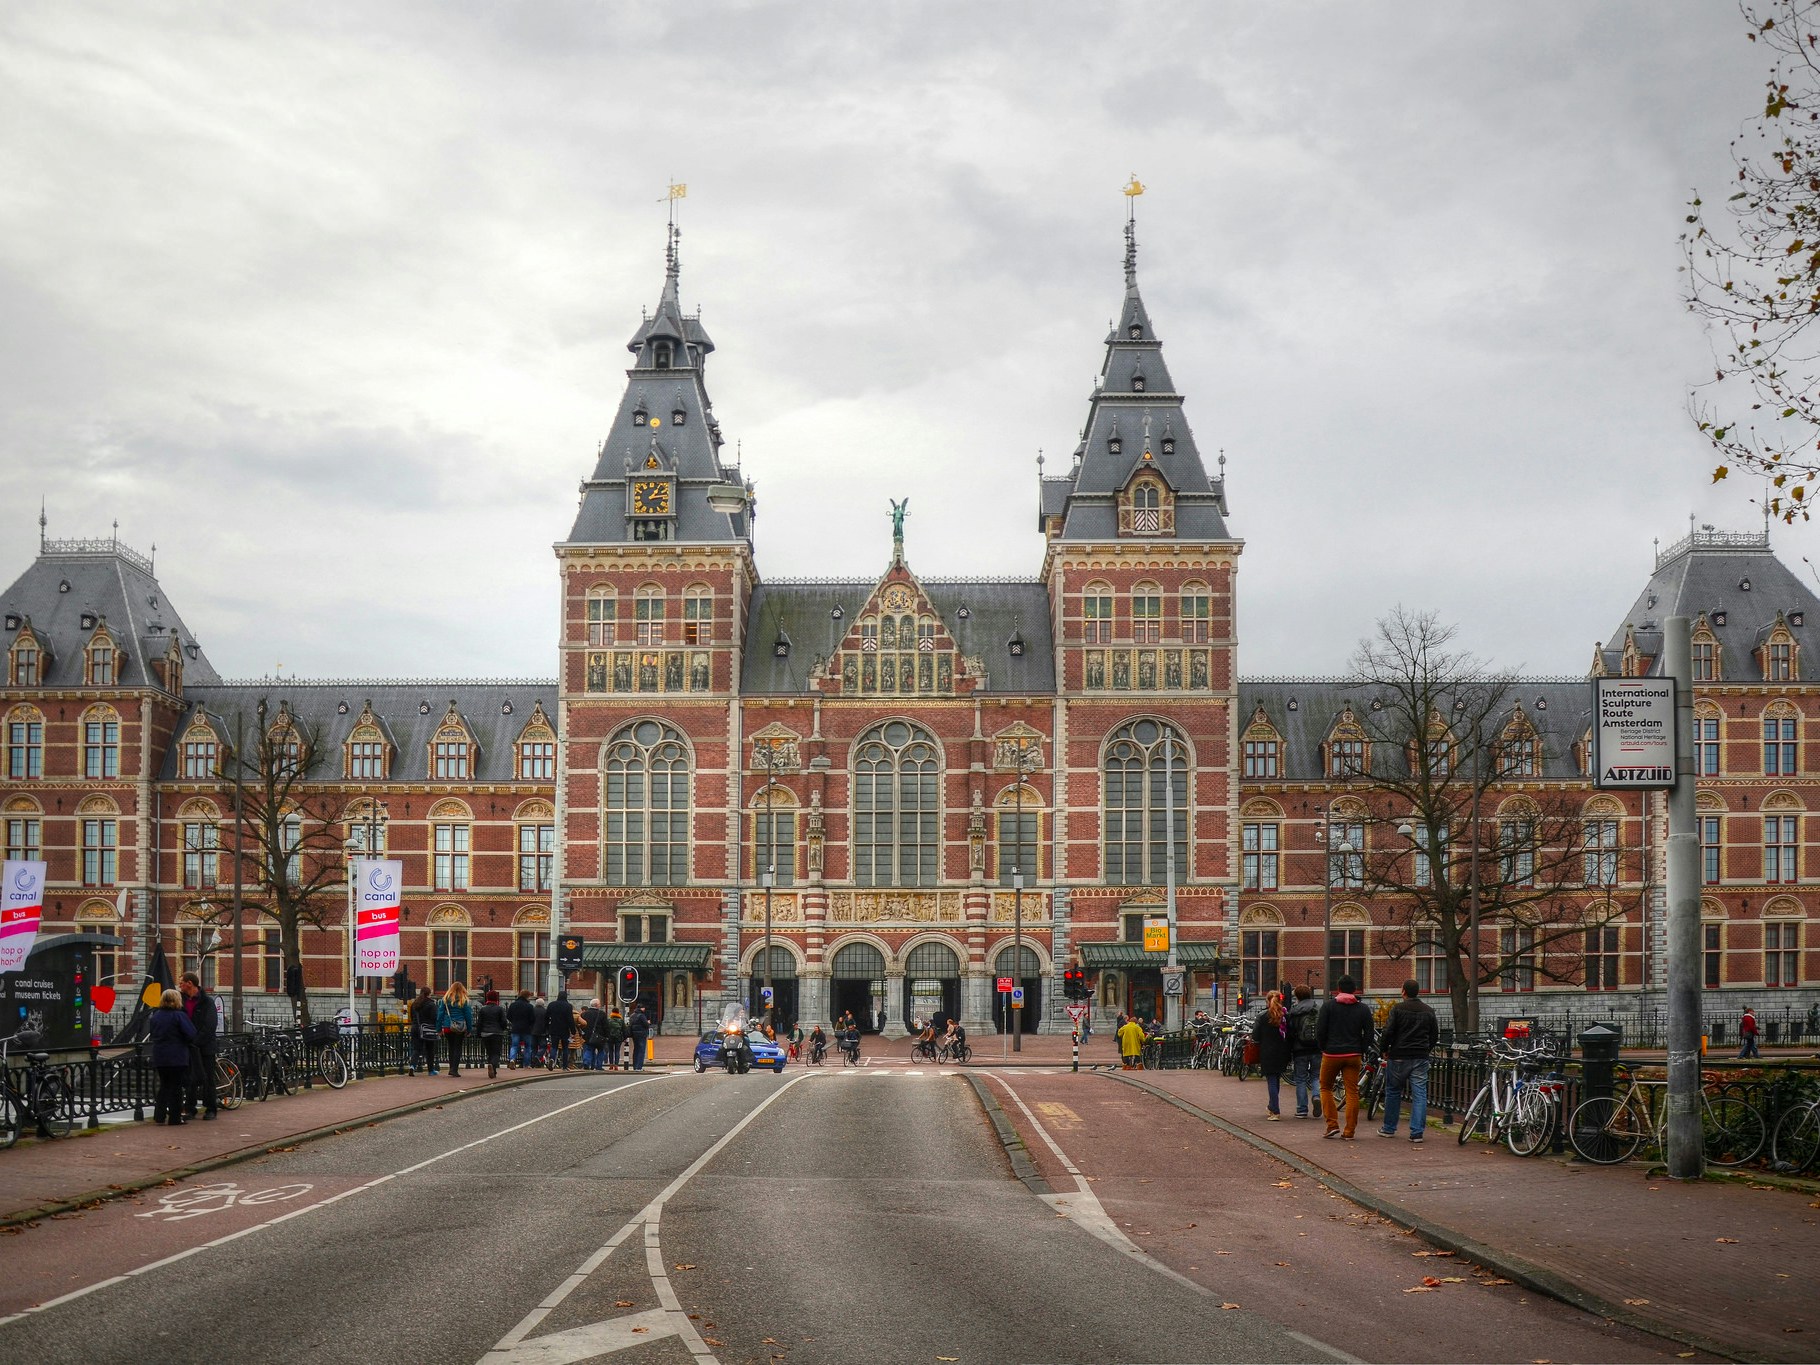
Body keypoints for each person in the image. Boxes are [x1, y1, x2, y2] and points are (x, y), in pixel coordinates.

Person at [1376, 979, 1439, 1143]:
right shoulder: (1429, 1011)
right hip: (1420, 1057)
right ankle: (1417, 1132)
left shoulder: (1397, 1009)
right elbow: (1434, 1035)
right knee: (1420, 1095)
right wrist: (1426, 1049)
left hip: (1398, 1056)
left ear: (1403, 991)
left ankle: (1389, 1128)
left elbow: (1388, 1031)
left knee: (1393, 1091)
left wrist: (1384, 1049)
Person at [1316, 975, 1375, 1139]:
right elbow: (1369, 1033)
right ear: (1354, 990)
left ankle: (1332, 1125)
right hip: (1353, 1055)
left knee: (1325, 1088)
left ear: (1338, 989)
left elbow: (1320, 1031)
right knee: (1352, 1092)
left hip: (1331, 1054)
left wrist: (1323, 1047)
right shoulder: (1362, 1009)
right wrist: (1361, 1049)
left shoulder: (1328, 1007)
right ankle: (1349, 1131)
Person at [149, 987, 197, 1126]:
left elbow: (153, 1033)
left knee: (164, 1086)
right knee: (176, 1087)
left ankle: (159, 1115)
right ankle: (175, 1117)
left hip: (160, 1055)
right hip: (177, 1056)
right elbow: (191, 1033)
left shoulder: (156, 1016)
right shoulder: (179, 1016)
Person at [179, 971, 219, 1121]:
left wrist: (196, 1041)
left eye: (182, 983)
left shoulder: (207, 1002)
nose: (179, 986)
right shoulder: (180, 1001)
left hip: (205, 1047)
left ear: (190, 983)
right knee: (190, 1079)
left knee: (208, 1078)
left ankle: (211, 1109)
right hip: (188, 1046)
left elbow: (210, 1025)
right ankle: (190, 1108)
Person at [1251, 990, 1292, 1120]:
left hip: (1268, 1052)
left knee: (1272, 1081)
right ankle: (1271, 1105)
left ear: (1268, 1001)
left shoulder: (1262, 1017)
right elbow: (1290, 1034)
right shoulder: (1285, 1016)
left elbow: (1255, 1036)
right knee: (1276, 1078)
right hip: (1283, 1052)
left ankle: (1275, 1110)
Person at [1287, 985, 1322, 1118]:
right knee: (1315, 1076)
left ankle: (1302, 1109)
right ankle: (1316, 1096)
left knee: (1300, 1079)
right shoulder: (1317, 1008)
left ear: (1297, 996)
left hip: (1299, 1049)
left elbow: (1290, 1031)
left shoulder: (1294, 1011)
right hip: (1316, 1048)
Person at [438, 981, 475, 1078]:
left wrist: (438, 1029)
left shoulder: (445, 1000)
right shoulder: (464, 1000)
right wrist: (469, 1029)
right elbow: (468, 1016)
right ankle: (454, 1069)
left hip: (447, 1027)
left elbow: (440, 1015)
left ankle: (451, 1068)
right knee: (457, 1048)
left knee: (451, 1047)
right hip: (460, 1027)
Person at [476, 989, 510, 1079]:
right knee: (496, 1053)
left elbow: (479, 1023)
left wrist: (478, 1033)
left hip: (485, 1033)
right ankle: (493, 1066)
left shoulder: (483, 1009)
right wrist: (502, 1029)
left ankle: (492, 1069)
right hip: (496, 1033)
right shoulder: (499, 1009)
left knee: (489, 1052)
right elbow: (503, 1022)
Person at [411, 986, 441, 1075]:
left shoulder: (414, 1004)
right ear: (429, 994)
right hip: (427, 1030)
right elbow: (435, 1017)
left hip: (415, 1028)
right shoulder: (431, 1004)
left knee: (416, 1049)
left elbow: (412, 1017)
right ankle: (430, 1070)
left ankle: (412, 1066)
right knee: (430, 1050)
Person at [545, 990, 577, 1070]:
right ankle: (565, 1066)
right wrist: (573, 1030)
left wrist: (547, 1027)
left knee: (554, 1046)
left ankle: (552, 1059)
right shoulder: (568, 1006)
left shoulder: (551, 1005)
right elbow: (570, 1019)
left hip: (554, 1028)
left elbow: (546, 1017)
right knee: (565, 1048)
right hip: (564, 1029)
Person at [506, 990, 536, 1069]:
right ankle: (526, 1064)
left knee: (514, 1046)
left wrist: (514, 1021)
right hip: (526, 1029)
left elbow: (508, 1016)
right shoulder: (529, 1006)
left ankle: (512, 1060)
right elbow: (533, 1019)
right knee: (528, 1047)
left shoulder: (513, 1005)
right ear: (527, 996)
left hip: (515, 1028)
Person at [628, 1004, 652, 1071]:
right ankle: (639, 1067)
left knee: (636, 1050)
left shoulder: (632, 1015)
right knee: (641, 1050)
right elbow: (646, 1025)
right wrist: (648, 1022)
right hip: (641, 1035)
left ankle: (635, 1066)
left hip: (634, 1035)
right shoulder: (641, 1016)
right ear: (642, 1008)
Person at [531, 994, 549, 1067]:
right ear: (543, 1004)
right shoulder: (545, 1011)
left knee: (533, 1047)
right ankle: (537, 1057)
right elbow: (547, 1022)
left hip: (533, 1031)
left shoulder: (532, 1010)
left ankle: (533, 1062)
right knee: (543, 1047)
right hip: (542, 1032)